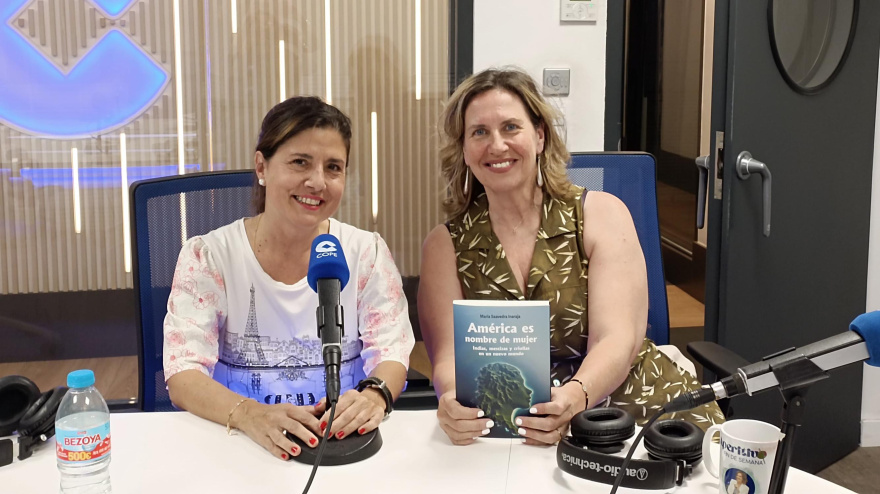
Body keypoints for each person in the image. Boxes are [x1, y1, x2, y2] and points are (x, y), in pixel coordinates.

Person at [418, 68, 724, 446]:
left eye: (511, 127)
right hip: (507, 420)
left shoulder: (601, 214)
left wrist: (576, 397)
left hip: (630, 403)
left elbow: (617, 338)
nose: (496, 145)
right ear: (463, 150)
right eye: (479, 132)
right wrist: (454, 401)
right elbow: (448, 358)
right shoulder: (444, 245)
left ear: (540, 136)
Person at [163, 96, 414, 460]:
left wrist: (375, 394)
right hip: (238, 447)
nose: (317, 182)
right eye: (300, 163)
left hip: (341, 450)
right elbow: (182, 374)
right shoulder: (209, 256)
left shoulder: (366, 252)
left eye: (333, 168)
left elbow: (393, 351)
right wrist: (250, 414)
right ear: (261, 167)